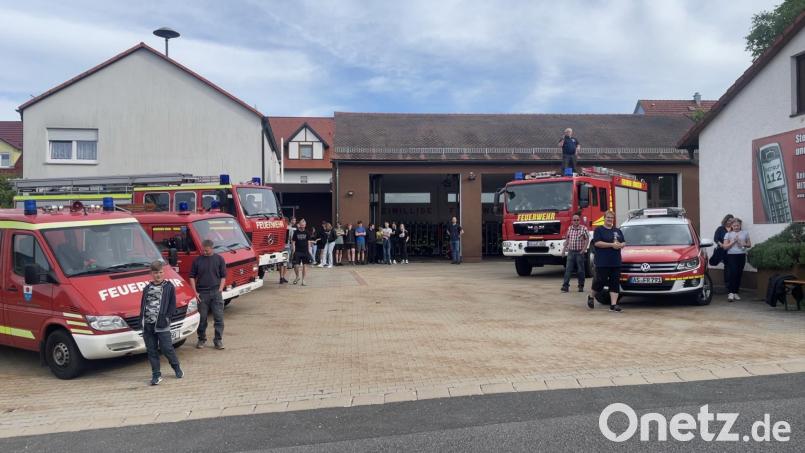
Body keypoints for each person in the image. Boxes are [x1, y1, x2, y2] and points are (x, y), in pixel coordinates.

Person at [139, 260, 182, 385]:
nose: (158, 275)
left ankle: (176, 367)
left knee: (167, 348)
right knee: (151, 351)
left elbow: (172, 305)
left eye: (160, 272)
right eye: (156, 273)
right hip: (148, 325)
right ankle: (156, 375)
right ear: (151, 274)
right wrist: (140, 321)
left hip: (162, 325)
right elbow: (143, 305)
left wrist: (167, 318)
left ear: (164, 272)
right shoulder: (147, 288)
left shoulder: (169, 287)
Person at [191, 239, 227, 349]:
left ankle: (218, 340)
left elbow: (223, 276)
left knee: (219, 318)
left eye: (206, 251)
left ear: (212, 248)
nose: (204, 252)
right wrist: (195, 292)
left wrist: (220, 289)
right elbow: (192, 276)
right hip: (202, 293)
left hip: (216, 292)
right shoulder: (197, 260)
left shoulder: (219, 259)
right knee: (202, 319)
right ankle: (201, 339)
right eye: (203, 250)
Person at [587, 210, 624, 312]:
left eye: (611, 218)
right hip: (602, 262)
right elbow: (597, 243)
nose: (610, 219)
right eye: (608, 217)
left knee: (614, 283)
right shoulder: (599, 230)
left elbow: (623, 242)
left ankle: (613, 305)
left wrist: (621, 245)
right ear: (604, 218)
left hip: (616, 262)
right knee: (600, 281)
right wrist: (612, 245)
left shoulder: (617, 231)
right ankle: (591, 296)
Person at [722, 218, 751, 302]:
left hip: (741, 255)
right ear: (731, 226)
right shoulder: (728, 234)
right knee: (733, 273)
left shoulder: (745, 233)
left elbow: (749, 244)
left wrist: (742, 243)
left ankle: (736, 292)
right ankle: (731, 292)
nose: (736, 227)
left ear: (740, 225)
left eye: (737, 225)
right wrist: (733, 241)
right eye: (734, 226)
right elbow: (725, 246)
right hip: (732, 256)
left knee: (739, 273)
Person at [561, 214, 589, 292]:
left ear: (579, 221)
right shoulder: (570, 229)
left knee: (580, 270)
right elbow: (567, 240)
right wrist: (563, 251)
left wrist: (583, 250)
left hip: (579, 252)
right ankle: (565, 286)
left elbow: (587, 240)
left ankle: (581, 286)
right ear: (572, 221)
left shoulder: (584, 229)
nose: (576, 221)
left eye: (577, 220)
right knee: (568, 269)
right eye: (574, 220)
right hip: (571, 252)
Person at [712, 214, 734, 287]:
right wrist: (721, 245)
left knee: (732, 267)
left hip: (733, 250)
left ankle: (733, 283)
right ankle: (727, 284)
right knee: (727, 267)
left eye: (731, 221)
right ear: (725, 220)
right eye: (728, 220)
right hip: (723, 251)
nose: (729, 222)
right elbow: (716, 238)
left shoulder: (734, 228)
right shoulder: (720, 229)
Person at [291, 219, 314, 286]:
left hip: (305, 251)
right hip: (297, 251)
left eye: (304, 225)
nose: (303, 226)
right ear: (299, 225)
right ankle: (297, 276)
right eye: (301, 225)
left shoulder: (307, 232)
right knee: (296, 265)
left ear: (305, 225)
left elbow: (309, 242)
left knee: (305, 265)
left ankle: (303, 280)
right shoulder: (296, 232)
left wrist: (309, 250)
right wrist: (294, 250)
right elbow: (293, 242)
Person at [279, 217, 296, 284]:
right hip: (286, 247)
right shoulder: (290, 228)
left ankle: (281, 277)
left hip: (280, 247)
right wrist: (293, 248)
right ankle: (282, 277)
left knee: (281, 263)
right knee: (285, 263)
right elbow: (292, 239)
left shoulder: (279, 228)